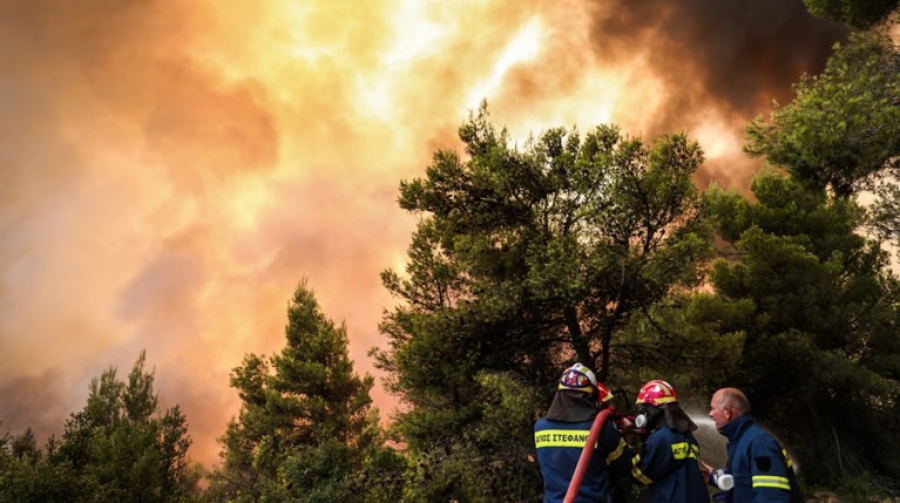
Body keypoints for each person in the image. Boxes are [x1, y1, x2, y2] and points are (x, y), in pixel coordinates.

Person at [534, 363, 632, 503]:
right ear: (591, 396)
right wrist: (622, 434)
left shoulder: (540, 428)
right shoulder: (602, 428)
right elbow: (623, 467)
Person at [702, 387, 803, 502]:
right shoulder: (742, 440)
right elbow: (744, 480)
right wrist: (715, 477)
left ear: (727, 412)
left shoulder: (760, 444)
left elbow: (772, 497)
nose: (710, 414)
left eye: (713, 409)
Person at [629, 380, 709, 503]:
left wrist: (626, 447)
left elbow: (640, 476)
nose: (639, 413)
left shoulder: (660, 439)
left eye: (641, 407)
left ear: (651, 409)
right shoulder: (687, 436)